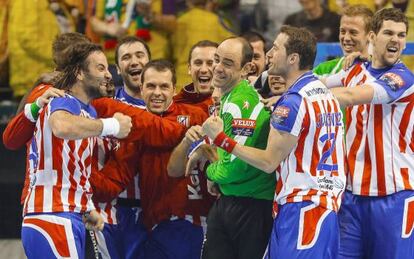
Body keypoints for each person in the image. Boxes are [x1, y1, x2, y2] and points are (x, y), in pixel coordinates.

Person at [202, 26, 346, 258]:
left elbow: (269, 162)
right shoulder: (323, 93)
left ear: (293, 58)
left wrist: (222, 140)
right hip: (325, 204)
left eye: (275, 48)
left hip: (302, 206)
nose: (269, 54)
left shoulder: (291, 103)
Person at [21, 42, 132, 259]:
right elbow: (62, 127)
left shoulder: (86, 111)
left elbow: (74, 164)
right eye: (100, 68)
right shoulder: (63, 99)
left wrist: (87, 206)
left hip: (67, 213)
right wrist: (112, 126)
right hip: (52, 215)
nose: (108, 75)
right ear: (80, 73)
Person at [322, 8, 414, 259]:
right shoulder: (353, 71)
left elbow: (352, 96)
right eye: (388, 33)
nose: (396, 39)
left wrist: (304, 99)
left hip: (393, 196)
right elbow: (318, 82)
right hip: (351, 196)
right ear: (373, 36)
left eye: (401, 35)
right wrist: (284, 94)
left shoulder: (403, 78)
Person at [199, 37, 275, 259]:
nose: (217, 68)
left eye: (228, 63)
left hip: (250, 207)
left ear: (246, 69)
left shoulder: (239, 104)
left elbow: (235, 168)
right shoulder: (231, 97)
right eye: (217, 60)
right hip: (235, 200)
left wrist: (211, 173)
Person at [93, 35, 150, 259]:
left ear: (150, 61)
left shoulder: (170, 107)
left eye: (139, 55)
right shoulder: (102, 108)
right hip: (111, 212)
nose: (134, 61)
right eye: (126, 57)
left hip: (155, 213)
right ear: (118, 68)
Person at [173, 40, 218, 116]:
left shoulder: (232, 103)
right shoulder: (174, 105)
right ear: (189, 68)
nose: (204, 69)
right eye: (198, 63)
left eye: (210, 63)